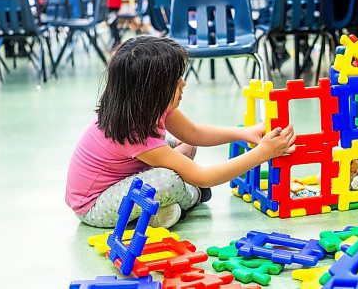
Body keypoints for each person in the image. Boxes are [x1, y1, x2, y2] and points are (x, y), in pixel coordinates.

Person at [65, 36, 296, 229]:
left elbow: (193, 133)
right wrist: (262, 153)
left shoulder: (149, 107)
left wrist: (244, 133)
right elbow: (204, 176)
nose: (183, 84)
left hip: (126, 177)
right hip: (94, 205)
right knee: (170, 180)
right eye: (175, 82)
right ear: (152, 93)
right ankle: (190, 196)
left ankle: (157, 211)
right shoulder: (134, 132)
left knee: (183, 145)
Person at [267, 0, 327, 70]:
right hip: (305, 14)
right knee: (301, 12)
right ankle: (304, 47)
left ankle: (280, 49)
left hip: (280, 14)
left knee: (270, 13)